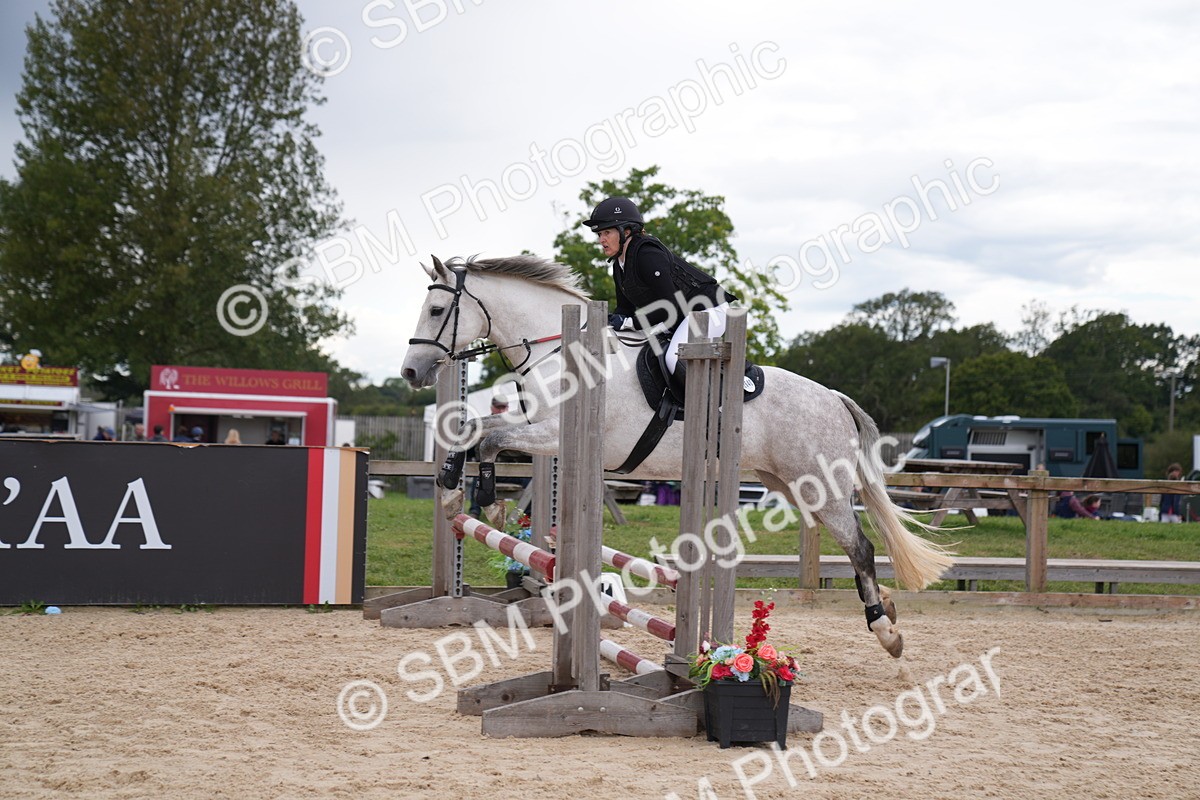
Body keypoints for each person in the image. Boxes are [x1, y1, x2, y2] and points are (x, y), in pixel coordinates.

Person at [581, 197, 738, 374]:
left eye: (607, 233)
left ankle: (707, 400)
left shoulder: (647, 255)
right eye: (599, 234)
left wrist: (631, 323)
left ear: (626, 231)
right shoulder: (619, 265)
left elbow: (670, 306)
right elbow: (625, 309)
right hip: (680, 316)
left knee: (673, 358)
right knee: (647, 351)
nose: (601, 240)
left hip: (708, 310)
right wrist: (608, 322)